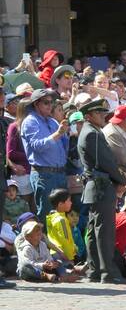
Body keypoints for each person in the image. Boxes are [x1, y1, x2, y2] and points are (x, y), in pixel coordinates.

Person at [78, 97, 126, 284]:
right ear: (89, 115)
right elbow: (105, 162)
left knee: (94, 230)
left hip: (96, 185)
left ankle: (95, 270)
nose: (103, 116)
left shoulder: (90, 131)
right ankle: (107, 272)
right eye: (99, 113)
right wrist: (121, 179)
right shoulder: (93, 134)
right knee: (104, 231)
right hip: (100, 185)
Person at [21, 89, 69, 221]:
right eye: (46, 102)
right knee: (47, 215)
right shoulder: (30, 122)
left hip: (59, 173)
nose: (50, 105)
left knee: (61, 216)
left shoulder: (52, 121)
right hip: (45, 175)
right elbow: (38, 147)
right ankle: (46, 241)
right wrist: (58, 134)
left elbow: (64, 147)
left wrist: (66, 134)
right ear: (36, 104)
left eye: (52, 102)